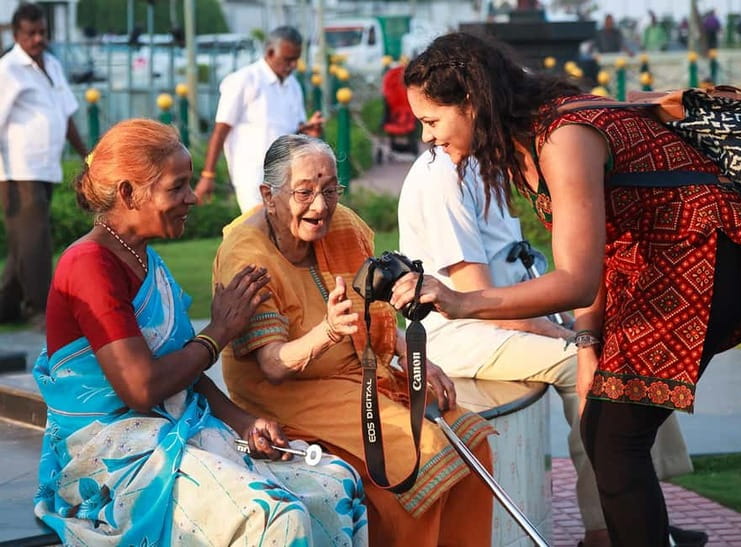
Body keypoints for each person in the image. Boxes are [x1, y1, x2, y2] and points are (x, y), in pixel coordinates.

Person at [392, 32, 741, 547]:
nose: (427, 137)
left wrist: (460, 302)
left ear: (474, 102)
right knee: (606, 434)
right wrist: (588, 344)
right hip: (659, 263)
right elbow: (599, 253)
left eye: (432, 121)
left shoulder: (563, 135)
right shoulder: (526, 142)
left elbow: (575, 279)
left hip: (704, 257)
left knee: (616, 440)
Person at [33, 119, 368, 546]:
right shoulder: (88, 264)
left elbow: (183, 377)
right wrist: (218, 334)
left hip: (175, 430)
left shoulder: (145, 260)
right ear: (128, 193)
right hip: (114, 453)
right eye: (178, 187)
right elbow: (142, 388)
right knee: (274, 517)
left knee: (337, 484)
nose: (193, 197)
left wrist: (246, 423)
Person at [399, 149, 706, 547]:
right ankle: (605, 529)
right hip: (460, 331)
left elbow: (515, 271)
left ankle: (638, 509)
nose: (427, 135)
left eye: (432, 121)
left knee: (625, 352)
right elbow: (478, 297)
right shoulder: (441, 174)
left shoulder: (482, 164)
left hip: (497, 320)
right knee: (586, 367)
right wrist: (567, 337)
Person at [213, 134, 496, 546]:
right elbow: (272, 365)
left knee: (472, 442)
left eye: (330, 190)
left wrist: (413, 358)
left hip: (361, 375)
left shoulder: (340, 227)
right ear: (268, 196)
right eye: (305, 192)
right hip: (290, 393)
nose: (320, 206)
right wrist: (326, 332)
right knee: (416, 454)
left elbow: (373, 312)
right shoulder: (247, 257)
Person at [0, 2, 88, 326]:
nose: (37, 39)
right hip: (17, 170)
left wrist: (86, 154)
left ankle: (7, 306)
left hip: (46, 166)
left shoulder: (51, 63)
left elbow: (66, 114)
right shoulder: (8, 70)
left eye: (42, 32)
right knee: (36, 238)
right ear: (17, 34)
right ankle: (40, 309)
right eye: (30, 34)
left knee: (24, 241)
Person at [194, 26, 323, 212]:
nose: (293, 65)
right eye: (288, 59)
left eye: (296, 59)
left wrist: (308, 130)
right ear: (270, 53)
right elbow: (220, 131)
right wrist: (208, 175)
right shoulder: (243, 80)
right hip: (252, 176)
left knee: (286, 235)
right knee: (259, 233)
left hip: (288, 174)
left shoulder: (293, 85)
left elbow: (294, 129)